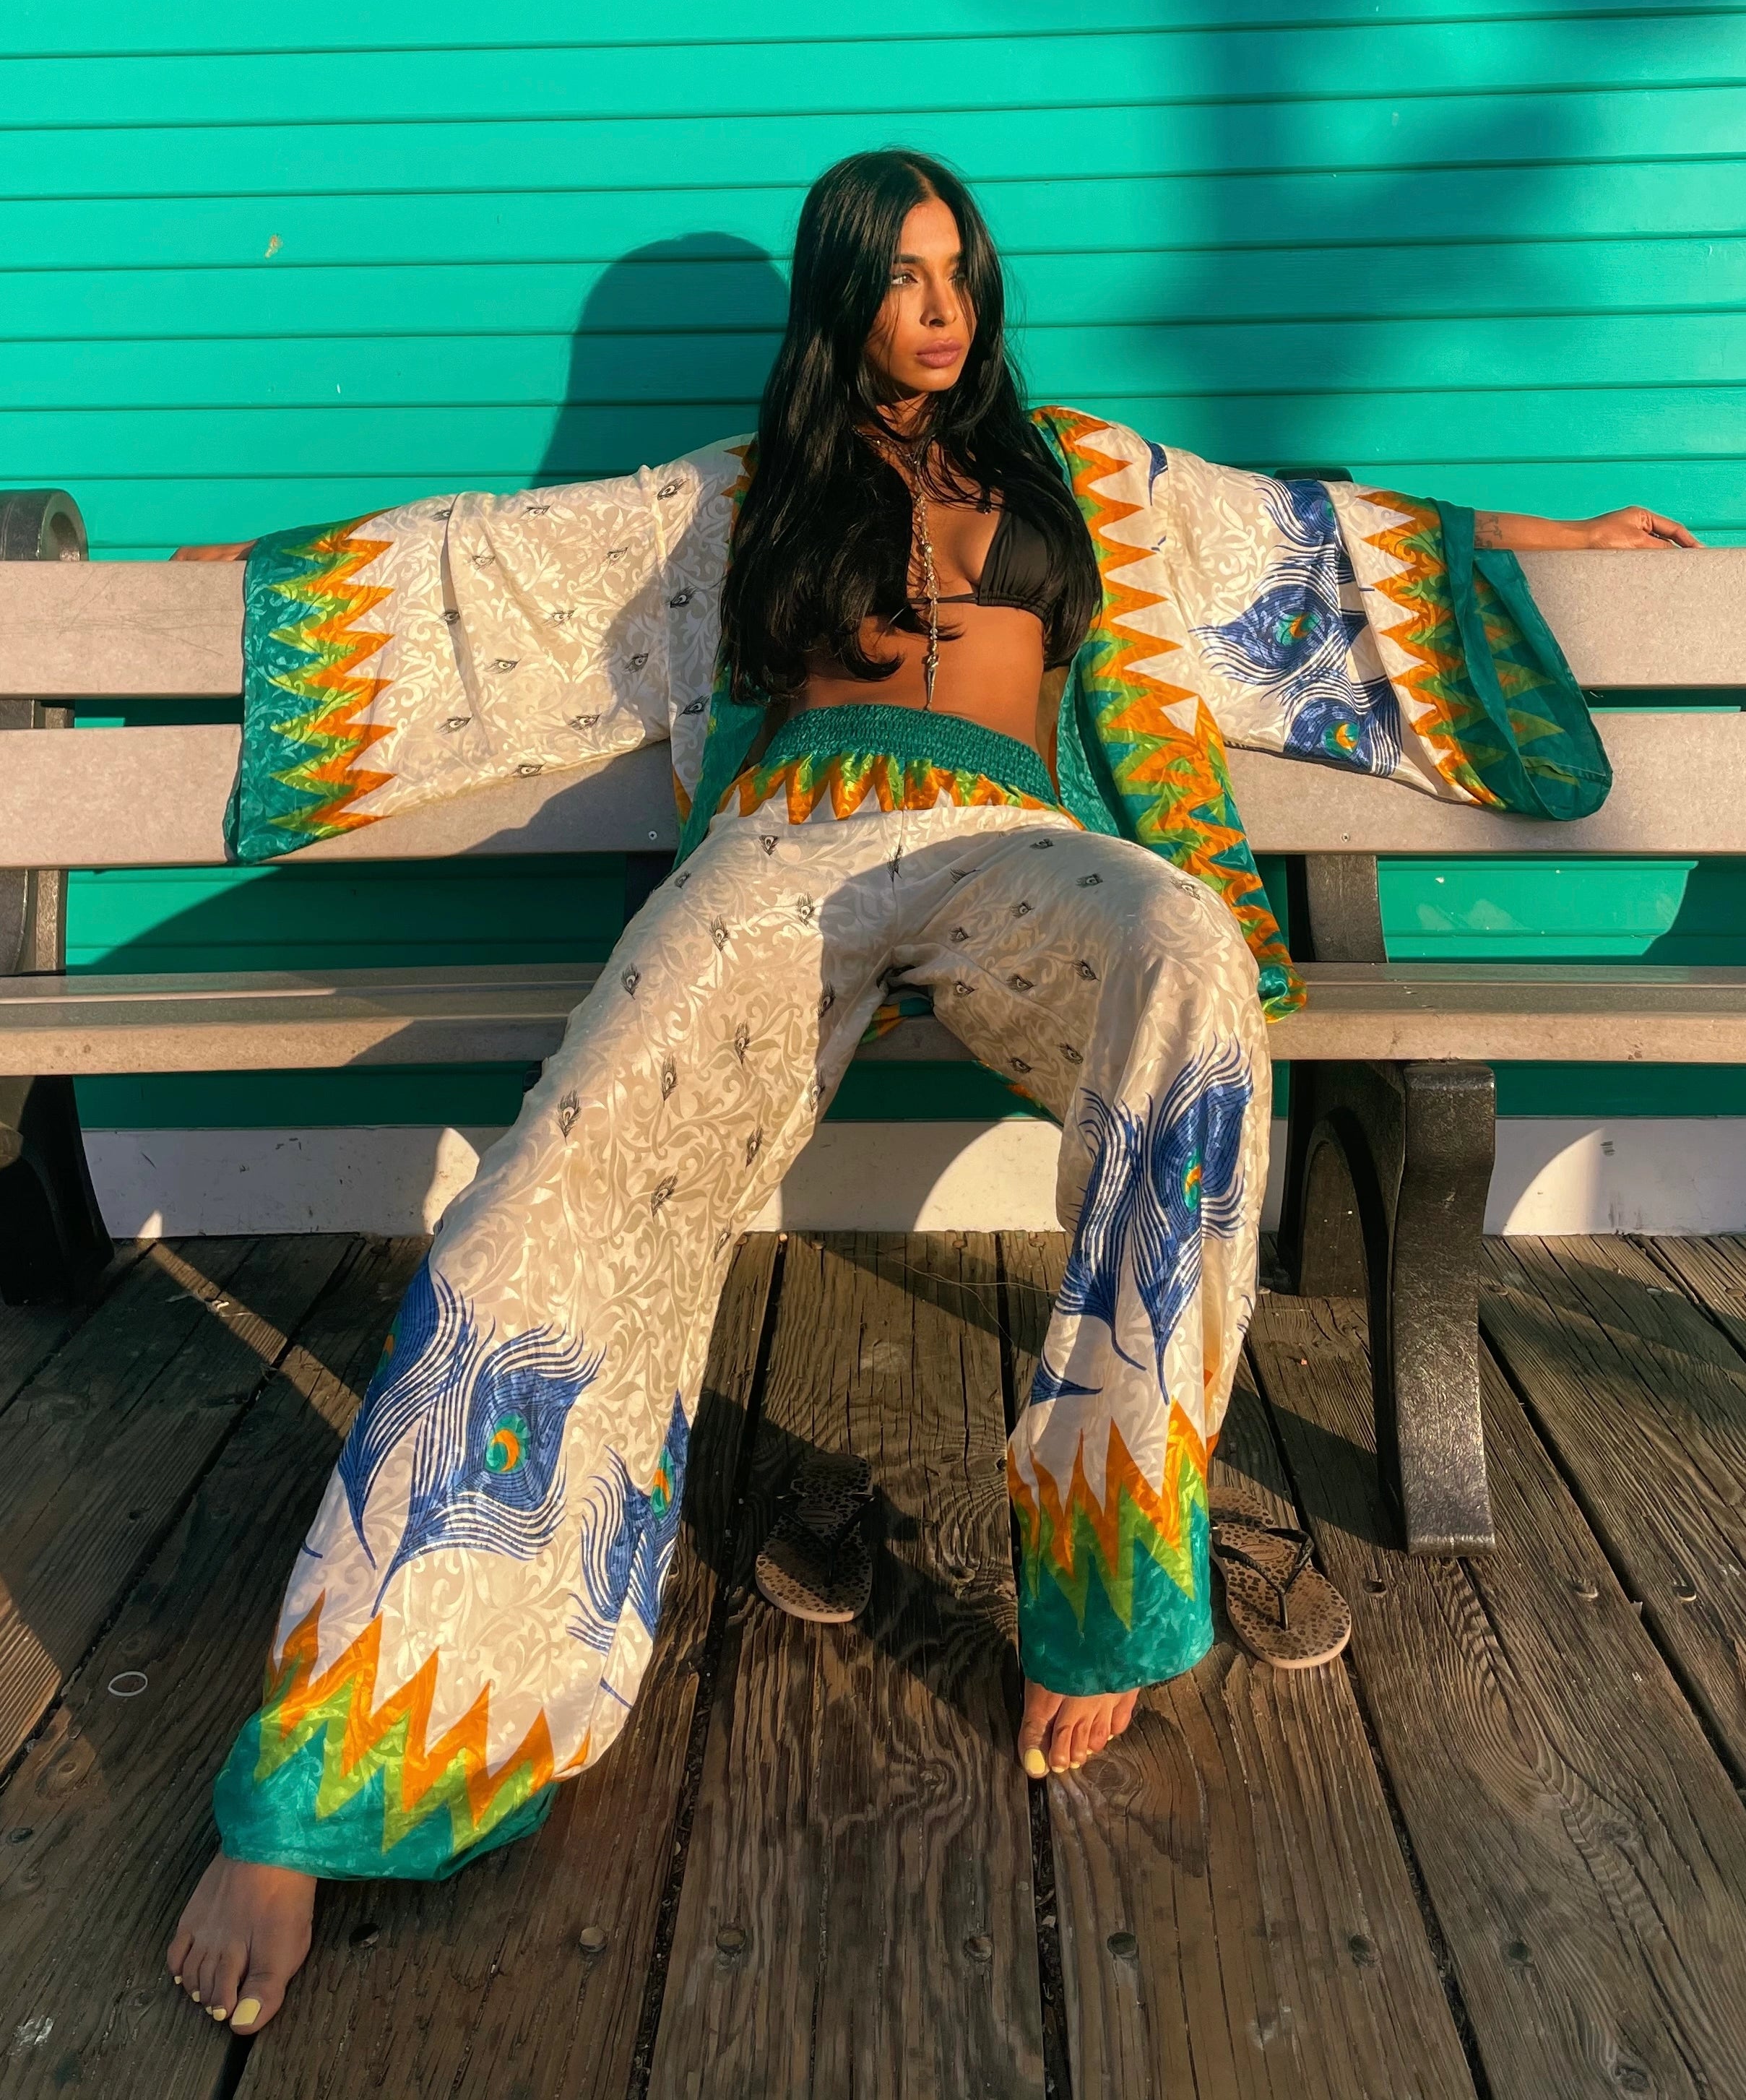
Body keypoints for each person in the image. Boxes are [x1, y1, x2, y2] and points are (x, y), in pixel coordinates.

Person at [165, 147, 1694, 2035]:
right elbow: (488, 570)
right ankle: (351, 1757)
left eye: (958, 270)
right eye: (898, 274)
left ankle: (1108, 1559)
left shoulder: (1081, 476)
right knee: (563, 1171)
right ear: (839, 300)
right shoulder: (750, 488)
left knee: (1193, 969)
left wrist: (1552, 543)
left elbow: (1310, 548)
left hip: (1006, 840)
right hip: (791, 838)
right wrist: (250, 584)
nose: (939, 303)